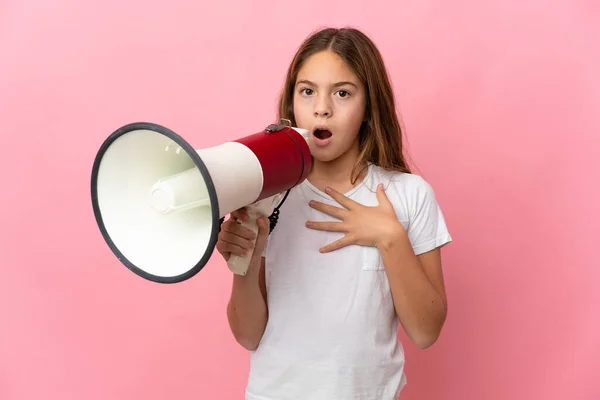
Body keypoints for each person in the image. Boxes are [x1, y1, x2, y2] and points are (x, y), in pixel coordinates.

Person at [216, 26, 452, 400]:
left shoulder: (409, 195)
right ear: (291, 102)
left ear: (369, 108)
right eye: (307, 91)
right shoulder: (267, 197)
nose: (321, 108)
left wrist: (390, 238)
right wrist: (245, 259)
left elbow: (426, 332)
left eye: (342, 93)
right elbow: (248, 335)